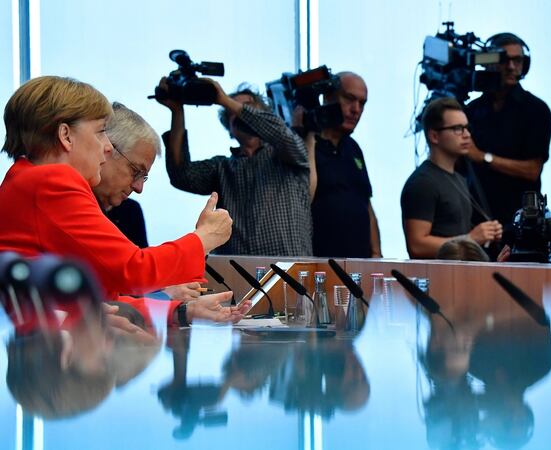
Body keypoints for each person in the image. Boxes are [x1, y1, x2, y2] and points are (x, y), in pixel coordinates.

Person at [0, 76, 245, 325]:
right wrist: (204, 237)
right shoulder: (52, 181)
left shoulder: (27, 178)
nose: (107, 147)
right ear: (65, 135)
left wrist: (179, 311)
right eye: (101, 132)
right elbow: (133, 270)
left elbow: (103, 299)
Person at [160, 79, 312, 256]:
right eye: (233, 112)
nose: (240, 113)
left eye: (248, 107)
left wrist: (224, 101)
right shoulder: (222, 167)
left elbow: (282, 136)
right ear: (230, 129)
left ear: (263, 116)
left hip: (290, 271)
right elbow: (182, 175)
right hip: (238, 275)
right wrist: (177, 111)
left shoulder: (286, 155)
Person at [94, 102, 208, 302]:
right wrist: (206, 237)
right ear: (105, 149)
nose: (139, 188)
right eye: (135, 171)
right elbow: (134, 273)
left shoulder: (128, 210)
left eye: (143, 177)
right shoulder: (61, 192)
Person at [464, 32, 551, 235]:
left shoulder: (536, 110)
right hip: (475, 220)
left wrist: (483, 157)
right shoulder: (471, 111)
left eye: (518, 60)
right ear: (488, 62)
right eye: (504, 60)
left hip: (520, 221)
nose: (512, 67)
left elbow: (532, 170)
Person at [401, 97, 503, 259]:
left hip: (458, 275)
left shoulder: (459, 179)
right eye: (457, 128)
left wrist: (485, 234)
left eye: (467, 128)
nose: (467, 134)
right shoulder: (423, 182)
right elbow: (417, 245)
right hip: (438, 278)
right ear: (434, 136)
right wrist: (471, 239)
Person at [309, 72, 381, 258]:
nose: (356, 109)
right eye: (349, 99)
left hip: (360, 264)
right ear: (328, 97)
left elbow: (366, 204)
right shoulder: (307, 144)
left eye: (362, 103)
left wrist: (376, 254)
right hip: (319, 262)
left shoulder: (353, 148)